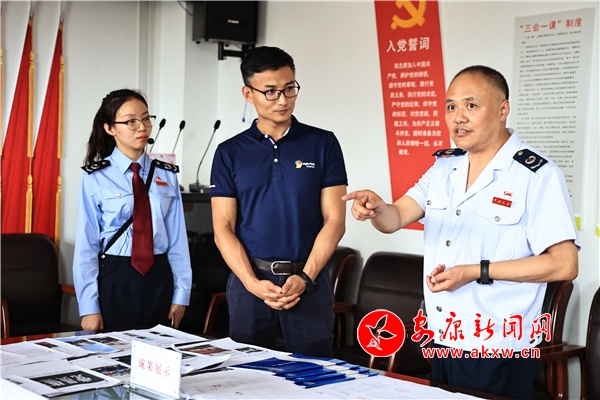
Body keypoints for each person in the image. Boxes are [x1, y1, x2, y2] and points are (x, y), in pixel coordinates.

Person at [343, 65, 579, 399]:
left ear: (502, 110)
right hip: (442, 336)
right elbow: (395, 218)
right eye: (451, 106)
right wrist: (377, 209)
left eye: (471, 105)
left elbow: (564, 264)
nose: (459, 117)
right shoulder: (445, 167)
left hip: (497, 344)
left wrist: (475, 272)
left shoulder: (536, 174)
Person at [209, 46, 348, 357]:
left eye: (289, 89)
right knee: (246, 374)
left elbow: (335, 220)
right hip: (250, 281)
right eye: (270, 92)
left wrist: (305, 277)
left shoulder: (323, 143)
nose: (283, 100)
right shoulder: (229, 153)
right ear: (248, 93)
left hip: (309, 281)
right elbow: (223, 227)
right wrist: (252, 283)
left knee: (313, 373)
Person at [73, 89, 192, 332]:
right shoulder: (95, 177)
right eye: (131, 121)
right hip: (116, 277)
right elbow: (87, 246)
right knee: (112, 352)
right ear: (110, 128)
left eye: (146, 118)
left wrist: (182, 294)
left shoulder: (166, 175)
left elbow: (178, 240)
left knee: (159, 350)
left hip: (159, 276)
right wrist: (89, 307)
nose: (142, 127)